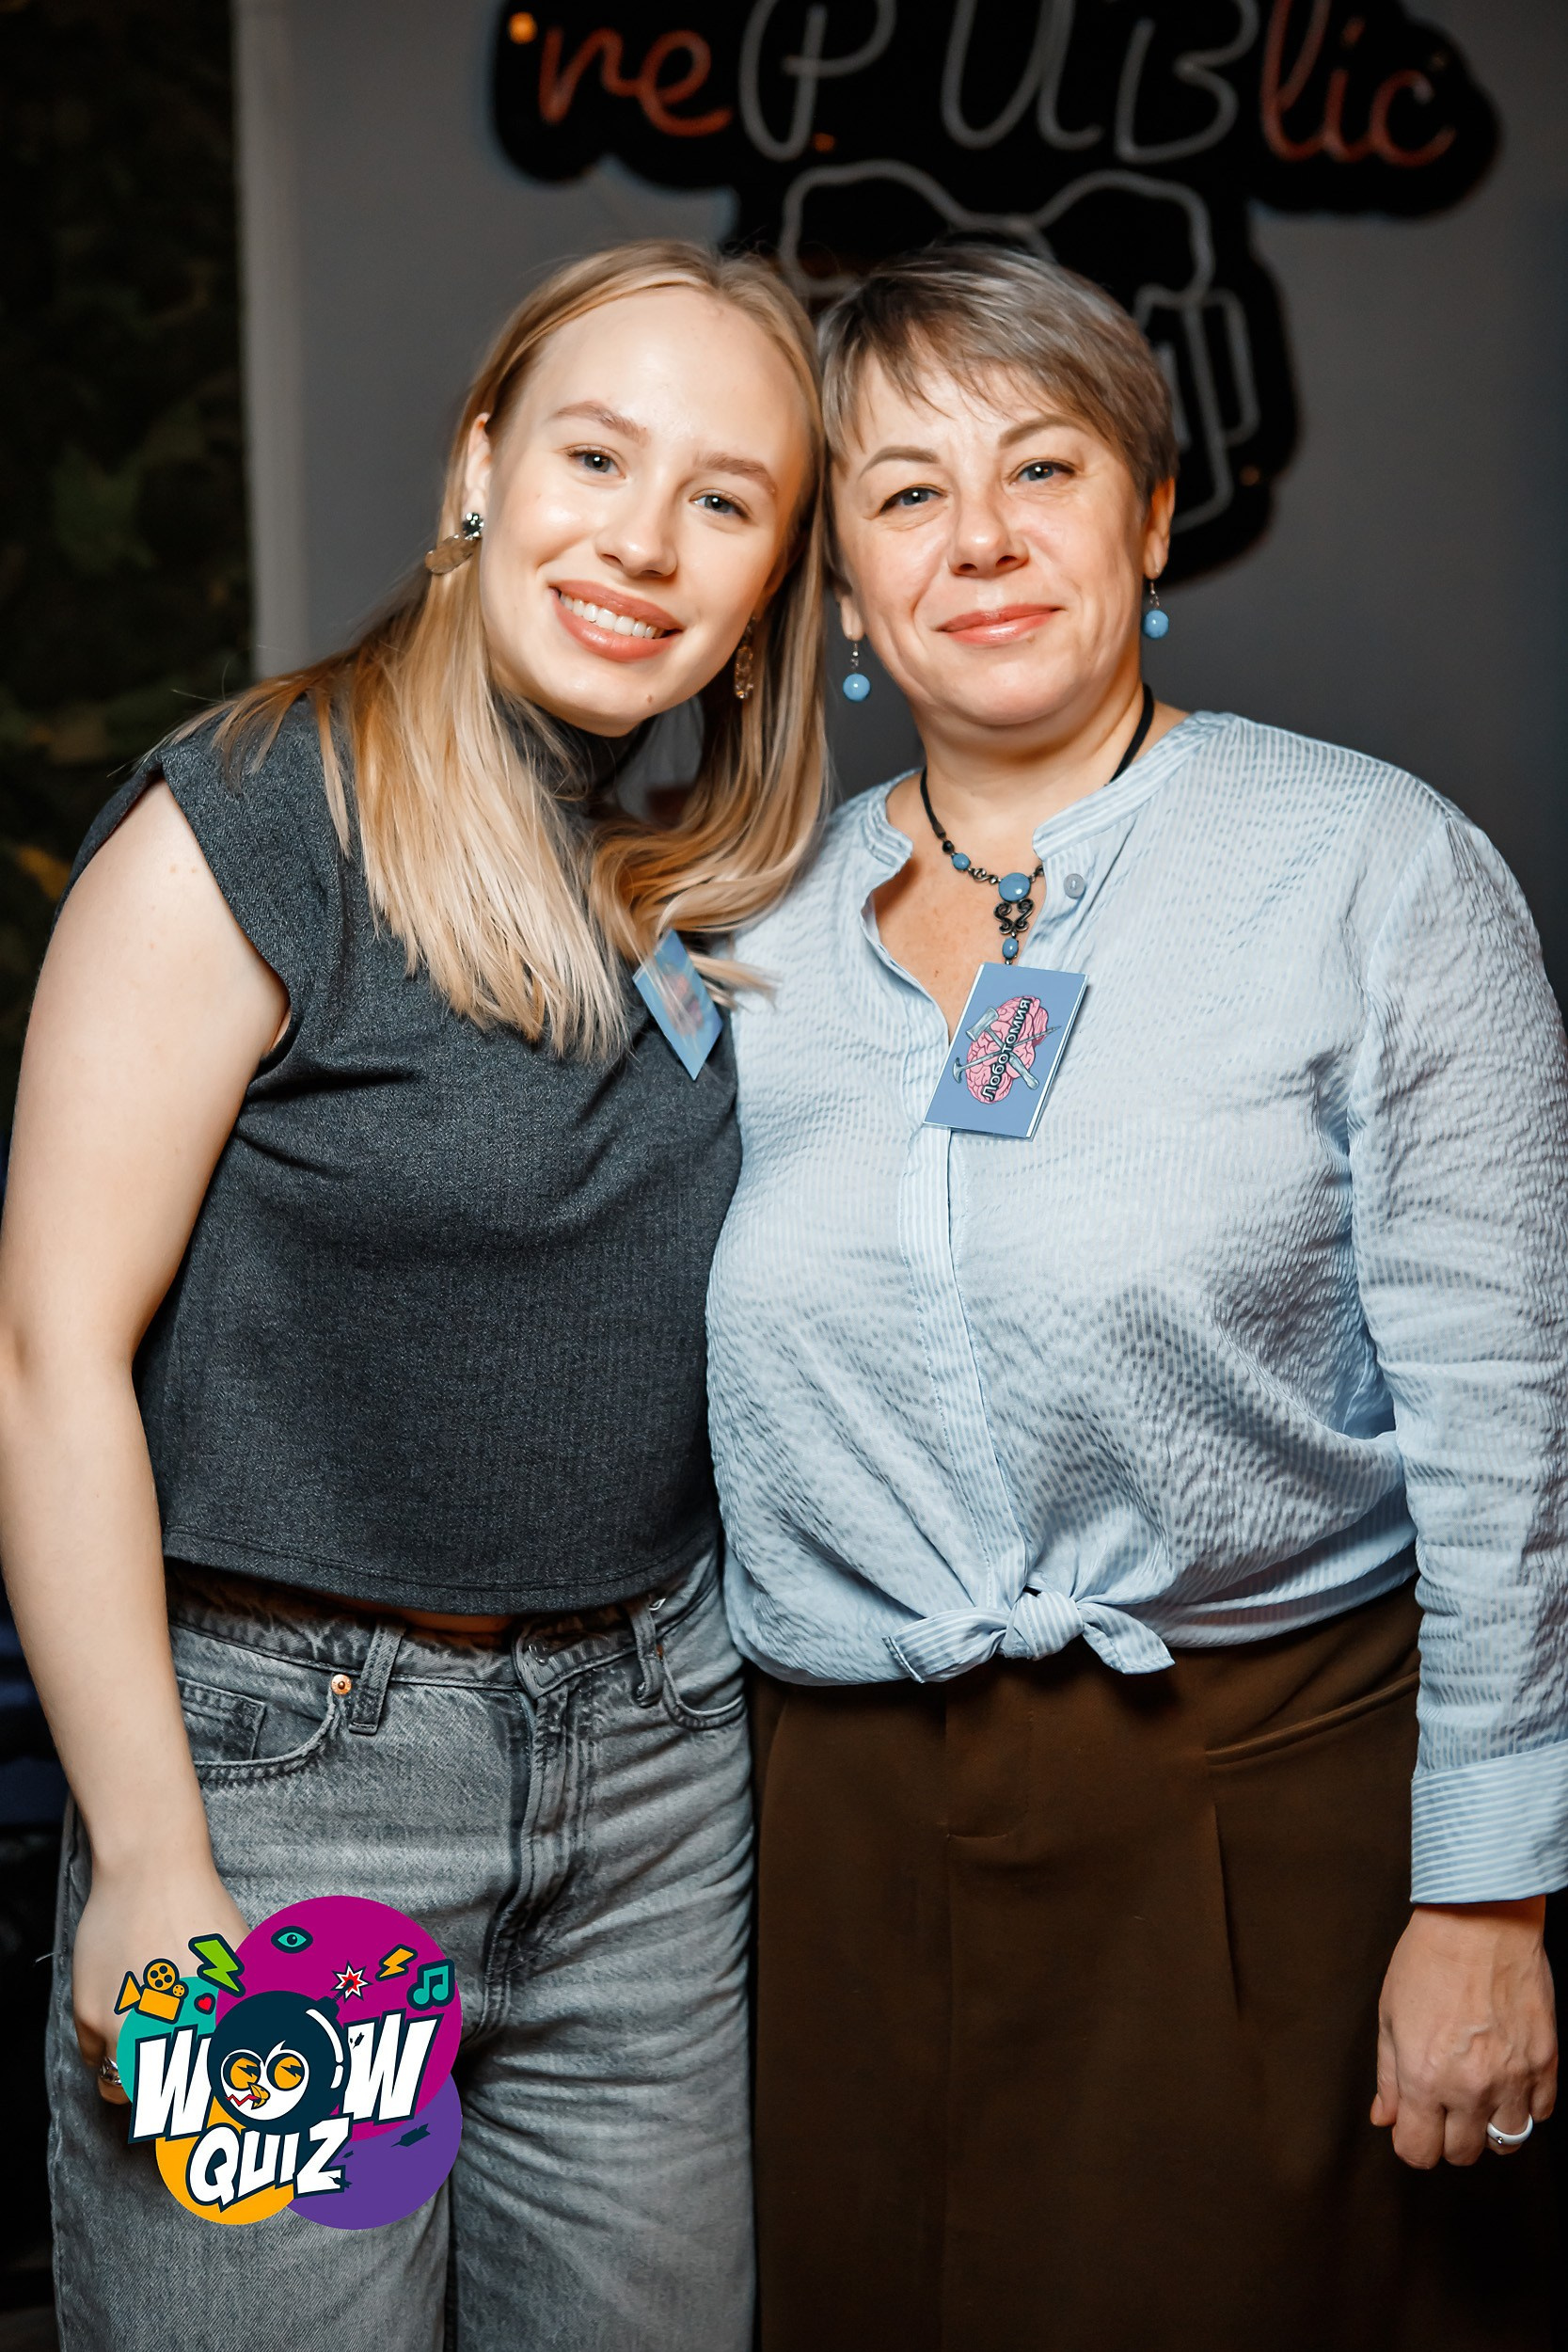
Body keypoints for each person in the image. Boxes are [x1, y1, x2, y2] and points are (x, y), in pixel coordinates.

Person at [705, 242, 1567, 2350]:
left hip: (1252, 1807)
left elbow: (1507, 1422)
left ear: (1152, 514)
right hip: (831, 1840)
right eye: (906, 493)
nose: (981, 539)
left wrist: (1488, 1889)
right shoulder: (740, 929)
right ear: (840, 581)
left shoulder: (1372, 871)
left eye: (1044, 468)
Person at [0, 238, 825, 2350]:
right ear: (480, 465)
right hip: (304, 1800)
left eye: (723, 499)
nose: (642, 540)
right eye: (594, 457)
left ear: (771, 586)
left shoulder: (690, 884)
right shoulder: (251, 820)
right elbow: (48, 1358)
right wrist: (152, 1855)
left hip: (655, 1788)